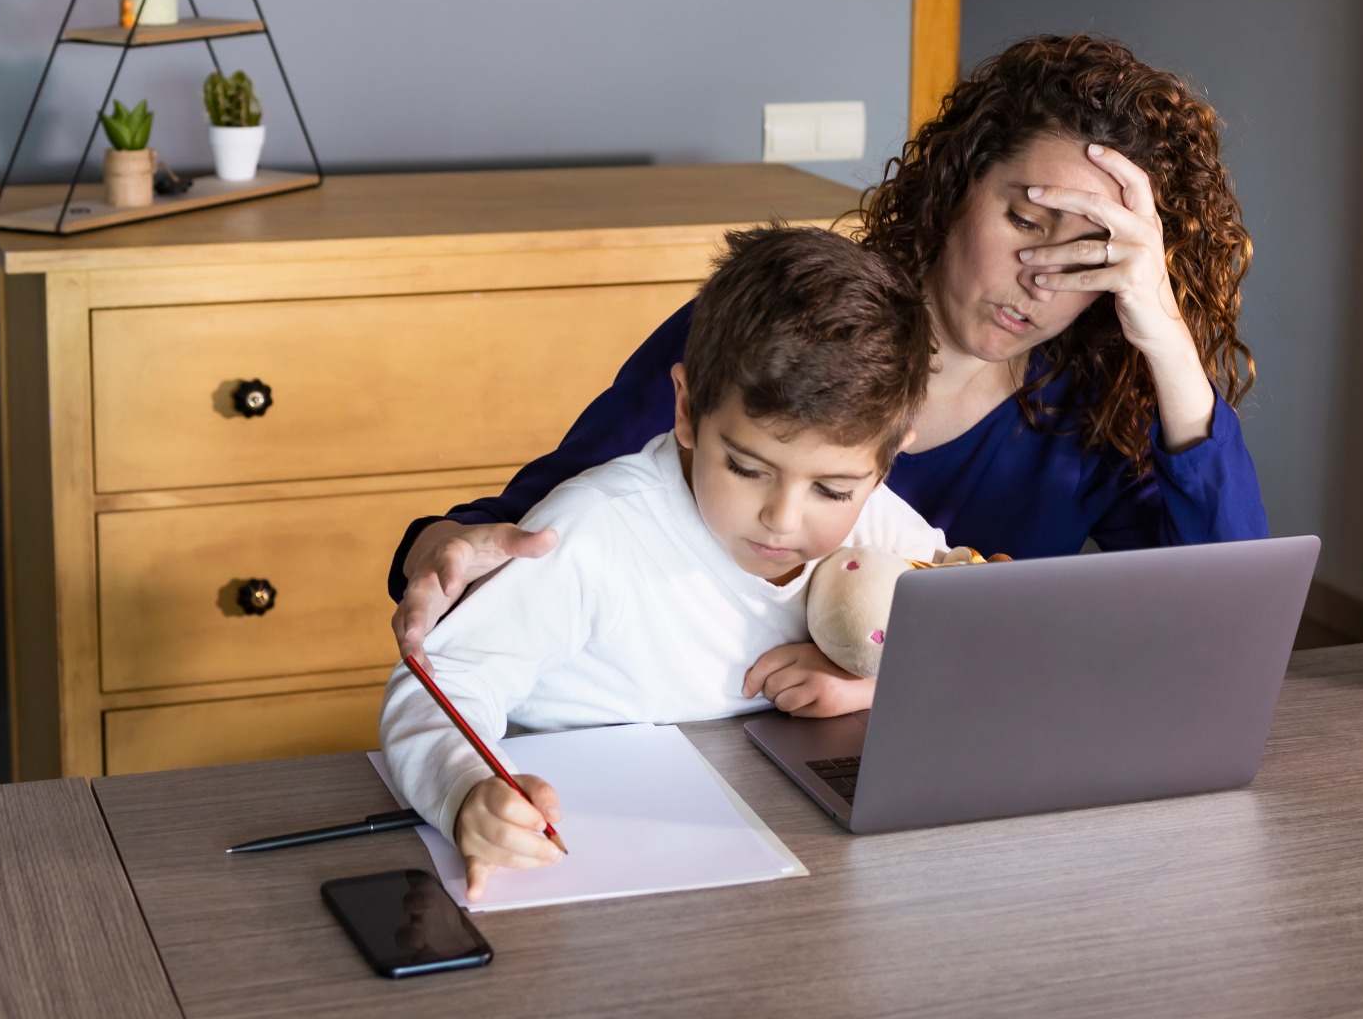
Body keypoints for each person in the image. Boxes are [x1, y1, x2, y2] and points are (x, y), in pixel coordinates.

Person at [388, 34, 1266, 672]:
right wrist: (440, 543)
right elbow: (549, 514)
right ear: (955, 190)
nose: (1041, 278)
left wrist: (1166, 340)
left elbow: (1226, 628)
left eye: (1090, 256)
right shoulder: (782, 326)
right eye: (1026, 224)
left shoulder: (1092, 408)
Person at [379, 224, 946, 900]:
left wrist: (869, 683)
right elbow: (439, 684)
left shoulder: (878, 518)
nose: (782, 519)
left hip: (768, 864)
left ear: (888, 457)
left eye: (832, 490)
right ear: (686, 408)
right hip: (589, 865)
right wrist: (465, 790)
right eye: (745, 467)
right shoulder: (597, 529)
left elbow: (971, 622)